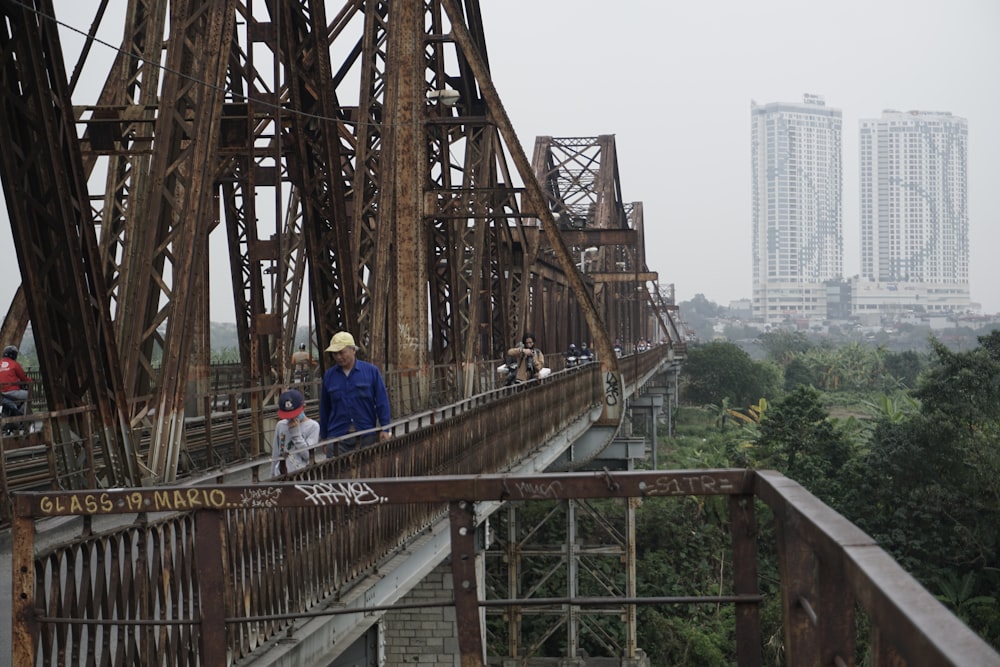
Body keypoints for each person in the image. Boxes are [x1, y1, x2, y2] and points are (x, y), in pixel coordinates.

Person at [319, 331, 392, 457]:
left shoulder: (371, 372)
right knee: (337, 474)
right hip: (337, 436)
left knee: (367, 472)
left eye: (342, 352)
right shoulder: (329, 376)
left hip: (366, 433)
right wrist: (324, 437)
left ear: (353, 350)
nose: (338, 357)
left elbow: (382, 402)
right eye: (335, 354)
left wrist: (385, 428)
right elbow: (324, 408)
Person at [271, 388, 319, 476]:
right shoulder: (281, 425)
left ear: (304, 407)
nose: (291, 418)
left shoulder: (313, 426)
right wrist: (272, 475)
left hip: (302, 475)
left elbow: (308, 455)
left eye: (294, 414)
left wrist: (296, 434)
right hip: (281, 473)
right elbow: (276, 452)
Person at [0, 345, 30, 414]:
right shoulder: (15, 364)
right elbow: (24, 378)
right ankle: (25, 415)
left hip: (1, 391)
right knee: (28, 395)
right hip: (11, 391)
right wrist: (30, 380)